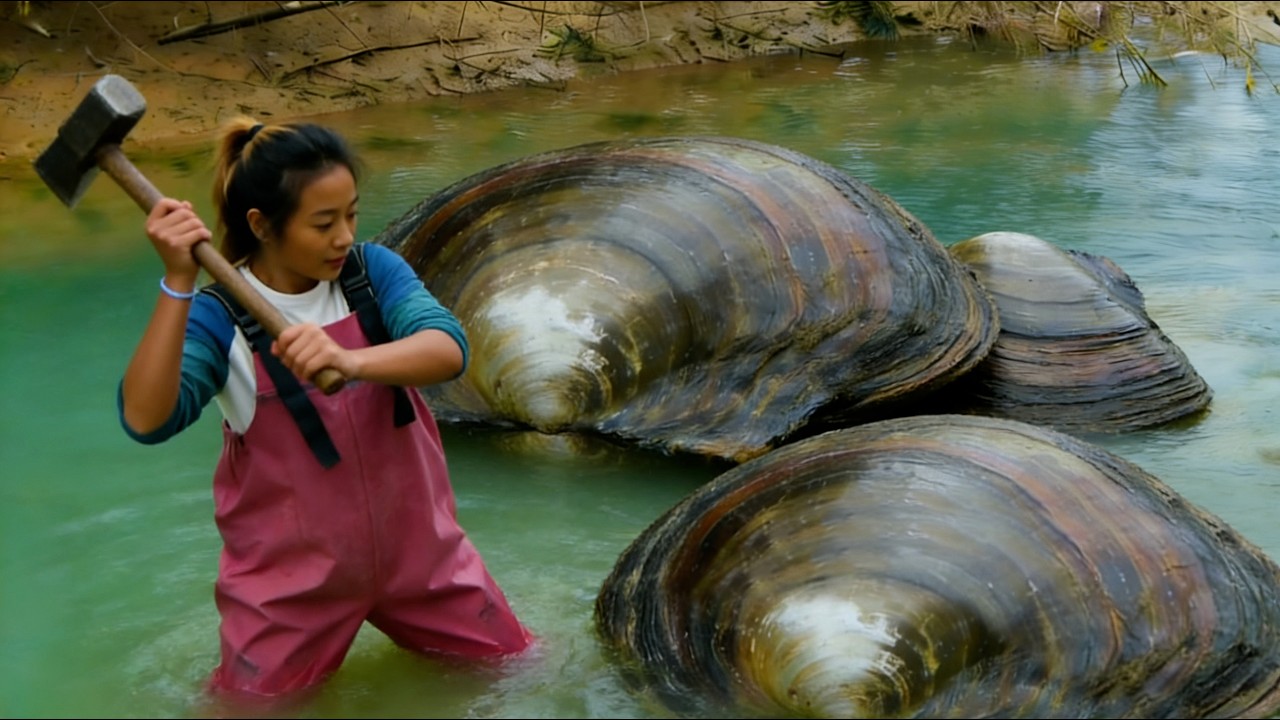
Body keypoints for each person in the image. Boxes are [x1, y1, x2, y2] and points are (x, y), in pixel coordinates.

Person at [117, 117, 534, 701]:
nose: (343, 236)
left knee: (523, 675)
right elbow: (146, 419)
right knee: (249, 711)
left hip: (426, 565)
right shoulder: (219, 318)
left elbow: (448, 348)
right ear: (262, 225)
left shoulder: (372, 274)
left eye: (351, 215)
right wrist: (177, 281)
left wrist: (353, 360)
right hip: (287, 596)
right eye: (323, 223)